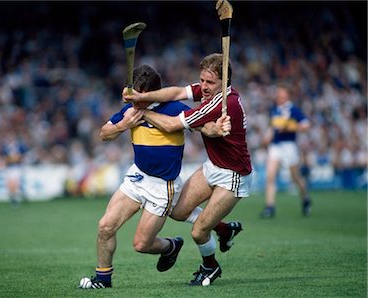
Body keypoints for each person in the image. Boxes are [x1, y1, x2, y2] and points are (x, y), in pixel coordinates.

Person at [81, 64, 232, 289]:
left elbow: (205, 127)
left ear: (152, 93)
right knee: (105, 226)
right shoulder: (130, 111)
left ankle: (170, 247)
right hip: (137, 177)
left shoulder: (174, 109)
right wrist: (124, 125)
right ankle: (103, 279)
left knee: (141, 245)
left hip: (163, 186)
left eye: (140, 96)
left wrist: (218, 128)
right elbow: (104, 134)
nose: (135, 101)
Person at [123, 53, 252, 286]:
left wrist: (140, 109)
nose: (203, 86)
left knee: (199, 232)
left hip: (233, 175)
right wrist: (143, 96)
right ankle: (224, 230)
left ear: (224, 83)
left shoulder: (224, 103)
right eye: (201, 80)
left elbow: (172, 124)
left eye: (209, 82)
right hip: (213, 166)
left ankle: (210, 267)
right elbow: (175, 93)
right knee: (178, 210)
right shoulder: (209, 92)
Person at [260, 83, 311, 218]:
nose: (279, 97)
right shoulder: (275, 109)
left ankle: (305, 197)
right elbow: (273, 128)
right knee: (270, 175)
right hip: (276, 145)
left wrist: (288, 127)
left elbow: (305, 125)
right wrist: (267, 138)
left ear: (287, 96)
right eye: (278, 94)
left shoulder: (293, 110)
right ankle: (270, 207)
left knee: (295, 177)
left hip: (289, 145)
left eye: (282, 94)